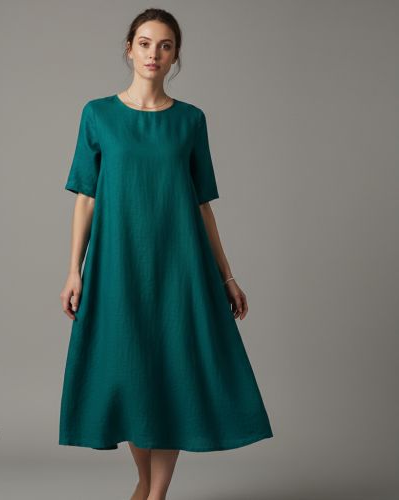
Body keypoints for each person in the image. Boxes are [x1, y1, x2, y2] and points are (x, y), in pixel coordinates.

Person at [58, 8, 273, 500]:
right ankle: (146, 486)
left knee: (174, 371)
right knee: (132, 373)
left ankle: (155, 494)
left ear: (175, 56)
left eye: (165, 45)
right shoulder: (98, 114)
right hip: (118, 266)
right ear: (129, 49)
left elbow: (201, 206)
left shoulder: (190, 120)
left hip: (181, 266)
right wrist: (74, 270)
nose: (153, 54)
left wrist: (227, 276)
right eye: (145, 43)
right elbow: (86, 197)